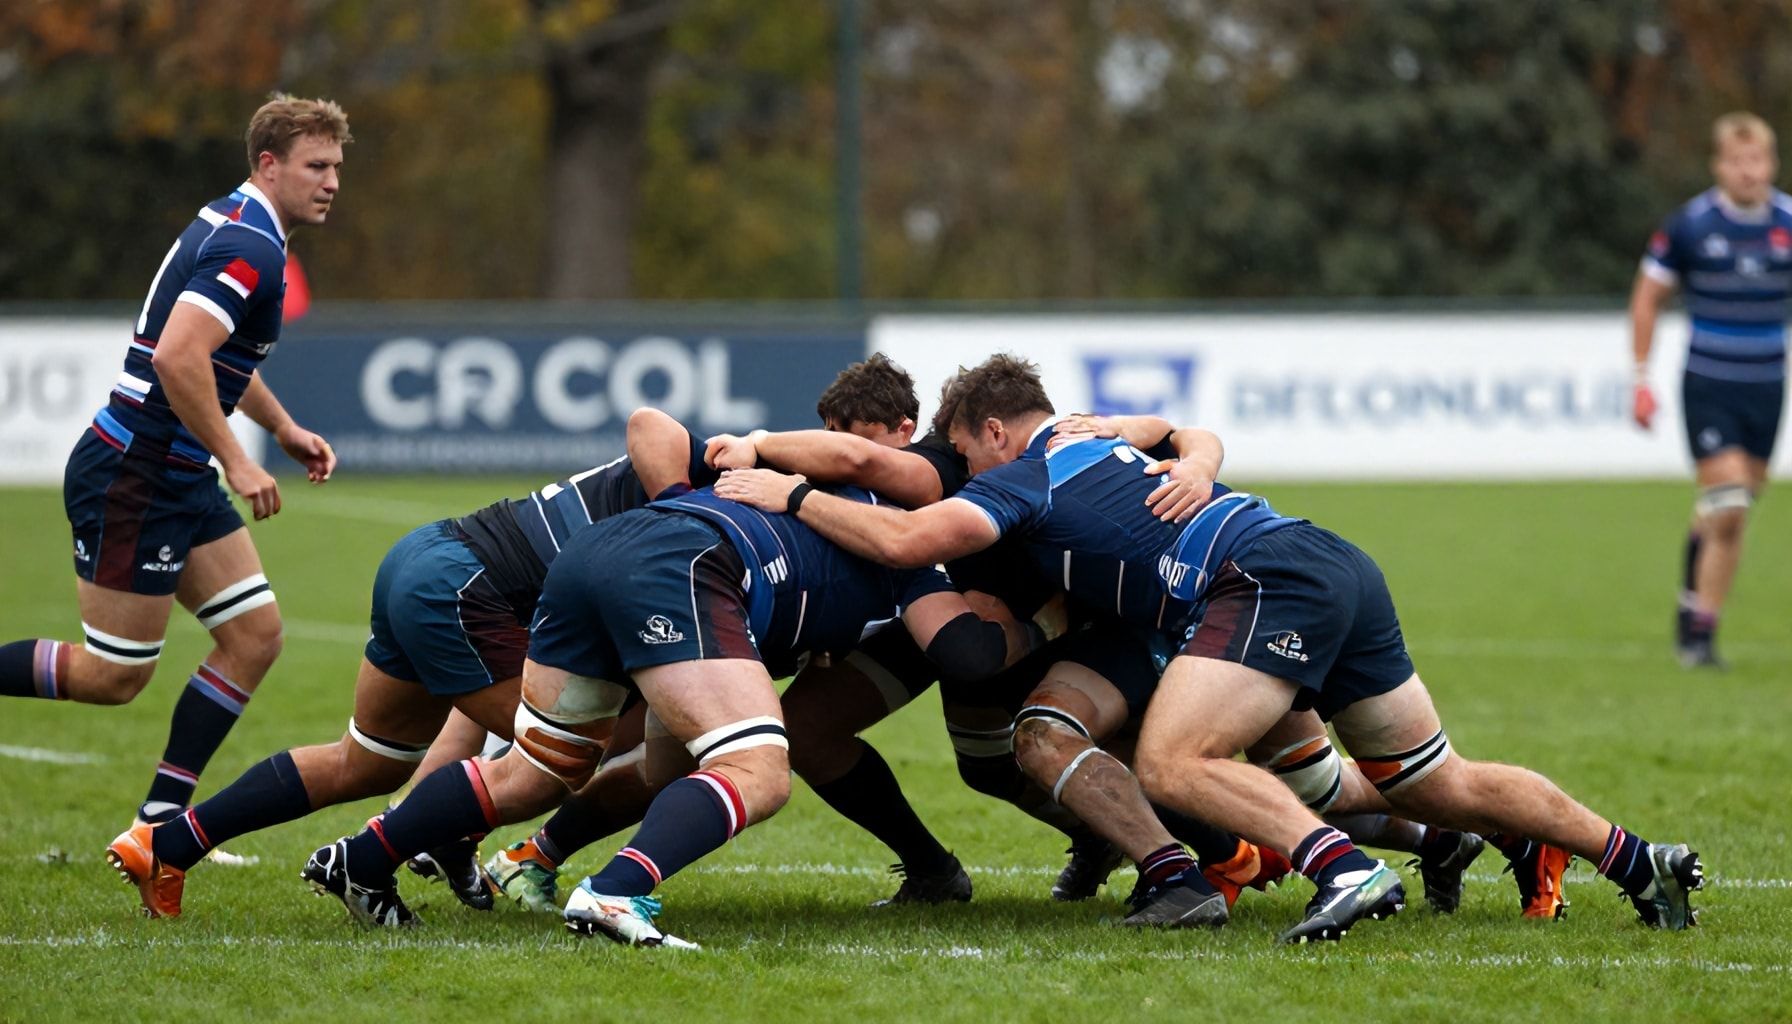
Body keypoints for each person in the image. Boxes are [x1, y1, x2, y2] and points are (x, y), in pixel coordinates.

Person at [713, 354, 1704, 943]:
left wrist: (788, 494)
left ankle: (1341, 872)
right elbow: (1183, 428)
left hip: (1257, 580)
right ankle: (1638, 861)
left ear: (990, 428)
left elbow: (906, 538)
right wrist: (1193, 454)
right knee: (1429, 777)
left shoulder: (1022, 475)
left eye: (965, 451)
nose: (960, 472)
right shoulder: (1099, 434)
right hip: (1330, 561)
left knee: (1174, 758)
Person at [301, 416, 1052, 946]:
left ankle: (364, 858)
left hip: (601, 555)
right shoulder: (912, 544)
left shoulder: (827, 480)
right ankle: (616, 891)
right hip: (684, 570)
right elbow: (965, 650)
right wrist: (1044, 621)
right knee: (760, 770)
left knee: (543, 772)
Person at [0, 96, 348, 858]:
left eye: (336, 168)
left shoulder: (240, 224)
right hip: (139, 471)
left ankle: (159, 824)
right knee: (113, 674)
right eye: (316, 166)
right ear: (269, 163)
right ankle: (159, 821)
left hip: (173, 471)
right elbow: (177, 358)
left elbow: (215, 360)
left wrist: (283, 428)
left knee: (254, 636)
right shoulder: (251, 249)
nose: (331, 182)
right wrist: (240, 458)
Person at [1630, 111, 1792, 668]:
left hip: (1768, 386)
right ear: (1719, 165)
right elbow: (1648, 297)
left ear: (1771, 163)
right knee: (1730, 507)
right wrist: (1641, 379)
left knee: (1731, 505)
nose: (1749, 171)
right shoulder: (1691, 225)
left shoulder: (1788, 222)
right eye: (1738, 160)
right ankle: (1700, 634)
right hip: (1709, 383)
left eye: (1759, 160)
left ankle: (1690, 600)